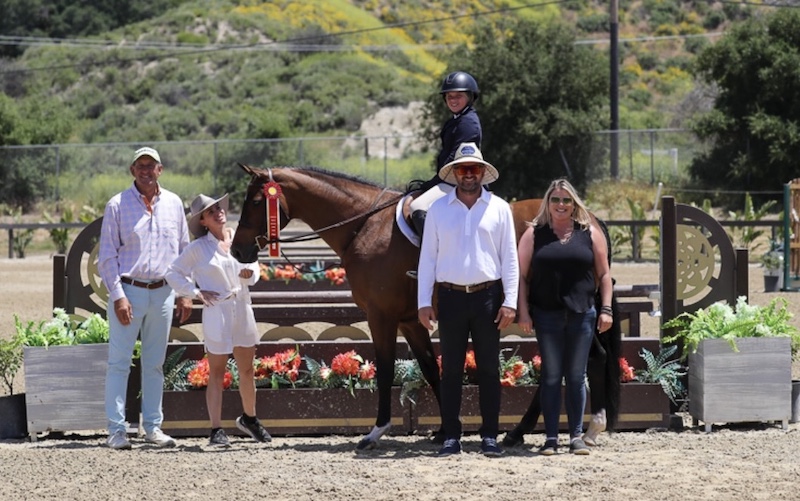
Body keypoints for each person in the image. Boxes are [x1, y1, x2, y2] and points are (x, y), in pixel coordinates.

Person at [417, 142, 519, 458]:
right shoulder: (437, 210)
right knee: (451, 371)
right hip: (449, 297)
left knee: (489, 369)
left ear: (483, 173)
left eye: (474, 169)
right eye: (463, 169)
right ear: (455, 174)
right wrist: (423, 301)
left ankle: (490, 435)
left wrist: (511, 300)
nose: (469, 175)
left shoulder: (500, 208)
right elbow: (427, 259)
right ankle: (452, 436)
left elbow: (510, 258)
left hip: (488, 297)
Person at [98, 146, 192, 450]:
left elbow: (183, 251)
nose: (146, 170)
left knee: (154, 364)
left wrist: (184, 292)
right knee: (119, 363)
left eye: (151, 165)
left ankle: (152, 427)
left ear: (160, 170)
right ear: (132, 170)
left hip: (163, 292)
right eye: (140, 165)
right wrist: (118, 295)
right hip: (130, 291)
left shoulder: (175, 204)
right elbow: (107, 257)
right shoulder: (117, 205)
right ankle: (117, 430)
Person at [165, 193, 272, 447]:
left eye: (218, 208)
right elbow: (172, 273)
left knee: (247, 369)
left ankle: (250, 418)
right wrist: (195, 292)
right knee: (217, 371)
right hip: (217, 310)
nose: (217, 213)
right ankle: (215, 429)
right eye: (210, 211)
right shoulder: (197, 249)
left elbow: (254, 266)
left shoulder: (239, 238)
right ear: (203, 221)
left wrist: (249, 273)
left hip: (242, 305)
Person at [515, 179, 613, 456]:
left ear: (574, 203)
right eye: (556, 199)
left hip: (582, 314)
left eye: (566, 200)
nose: (561, 205)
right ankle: (549, 439)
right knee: (550, 377)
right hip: (547, 315)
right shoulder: (533, 234)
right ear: (548, 202)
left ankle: (575, 437)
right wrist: (523, 311)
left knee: (576, 376)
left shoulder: (590, 233)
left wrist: (605, 309)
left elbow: (604, 275)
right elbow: (521, 277)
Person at [409, 71, 482, 238]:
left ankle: (436, 251)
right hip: (450, 177)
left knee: (417, 206)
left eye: (458, 96)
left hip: (459, 178)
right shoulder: (457, 119)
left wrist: (432, 183)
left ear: (470, 97)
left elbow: (454, 159)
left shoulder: (468, 123)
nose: (453, 100)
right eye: (449, 97)